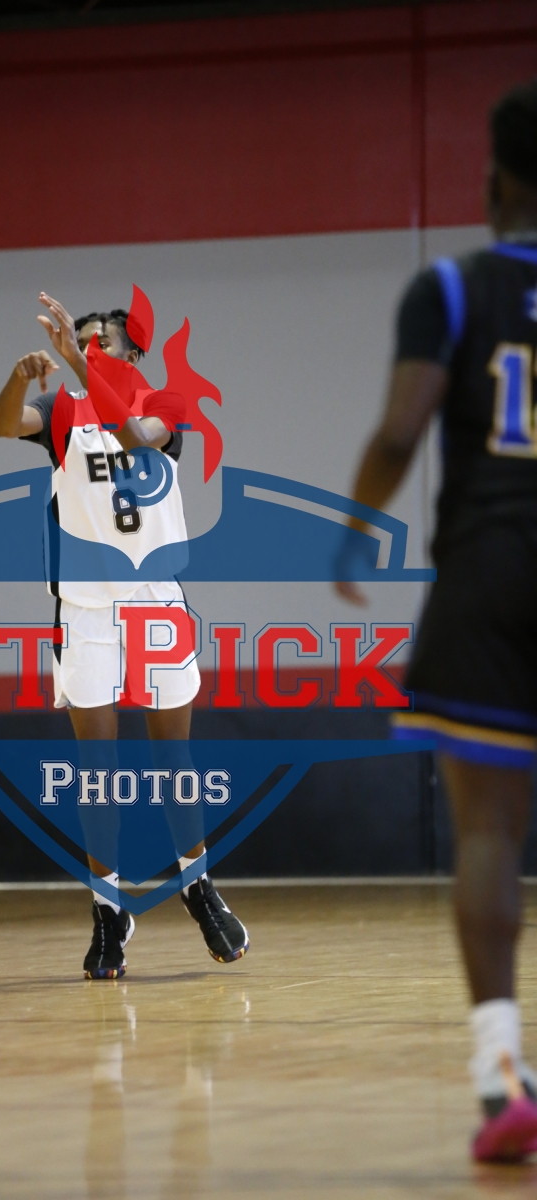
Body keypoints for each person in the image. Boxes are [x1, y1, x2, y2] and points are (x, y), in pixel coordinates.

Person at [336, 79, 537, 1161]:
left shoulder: (451, 288)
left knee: (487, 834)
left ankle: (503, 1080)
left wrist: (351, 530)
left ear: (494, 179)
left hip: (489, 572)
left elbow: (400, 430)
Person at [0, 292, 249, 979]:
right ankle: (108, 910)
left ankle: (197, 886)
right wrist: (20, 377)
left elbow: (135, 436)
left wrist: (80, 365)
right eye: (79, 343)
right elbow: (3, 424)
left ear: (133, 350)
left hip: (154, 600)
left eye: (99, 341)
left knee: (173, 758)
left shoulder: (166, 403)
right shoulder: (63, 411)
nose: (87, 350)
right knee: (97, 769)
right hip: (85, 606)